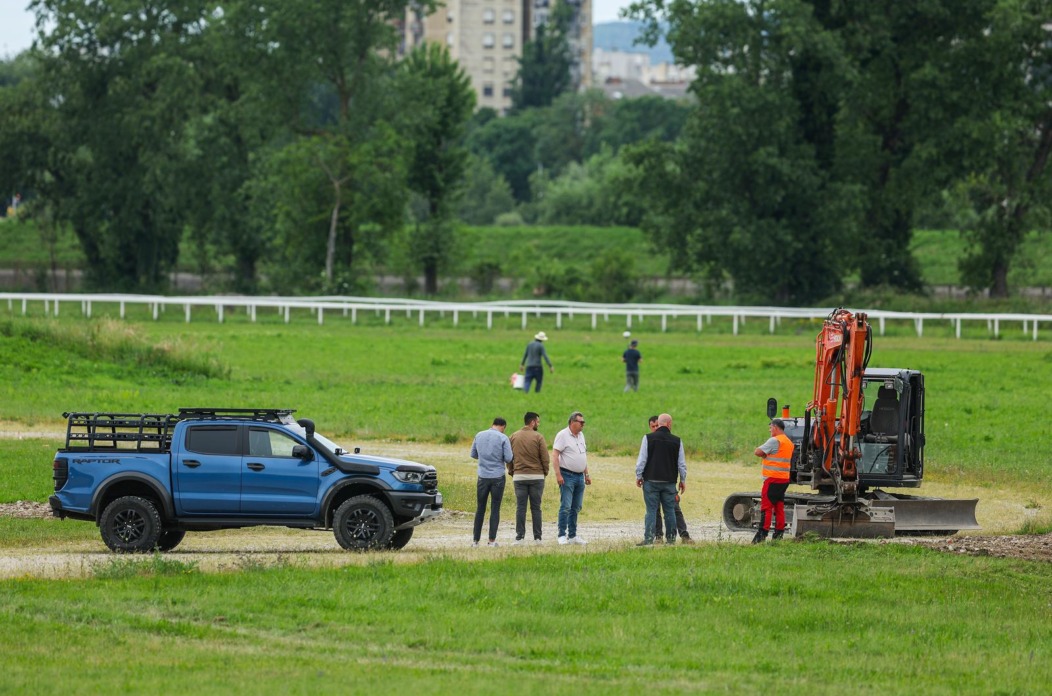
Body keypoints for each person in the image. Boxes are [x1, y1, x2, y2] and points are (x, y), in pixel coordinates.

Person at [635, 413, 687, 545]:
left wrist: (639, 476)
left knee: (651, 511)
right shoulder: (677, 441)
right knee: (670, 511)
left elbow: (642, 460)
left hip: (651, 480)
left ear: (659, 423)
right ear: (669, 424)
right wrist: (682, 480)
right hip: (669, 482)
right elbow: (681, 464)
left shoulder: (648, 438)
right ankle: (671, 539)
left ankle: (649, 539)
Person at [648, 415, 693, 543]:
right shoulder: (649, 440)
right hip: (654, 481)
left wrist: (682, 479)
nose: (655, 428)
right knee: (656, 510)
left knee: (675, 508)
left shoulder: (671, 441)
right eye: (653, 426)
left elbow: (680, 463)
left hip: (668, 481)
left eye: (657, 425)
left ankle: (684, 535)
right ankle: (658, 536)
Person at [508, 411, 550, 545]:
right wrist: (544, 472)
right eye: (538, 421)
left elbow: (509, 457)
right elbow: (545, 457)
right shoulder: (538, 437)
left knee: (521, 507)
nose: (538, 424)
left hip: (519, 477)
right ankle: (537, 538)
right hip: (537, 477)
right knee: (536, 508)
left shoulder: (513, 436)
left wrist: (512, 471)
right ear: (532, 422)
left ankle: (519, 537)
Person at [470, 417, 513, 547]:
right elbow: (509, 458)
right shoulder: (503, 438)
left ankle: (475, 541)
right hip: (497, 476)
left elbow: (473, 454)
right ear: (503, 426)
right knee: (495, 508)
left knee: (480, 508)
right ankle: (491, 541)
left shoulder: (479, 435)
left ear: (492, 424)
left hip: (482, 476)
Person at [752, 418, 794, 543]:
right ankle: (778, 535)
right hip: (784, 479)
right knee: (779, 507)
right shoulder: (789, 442)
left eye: (770, 428)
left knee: (766, 507)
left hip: (772, 479)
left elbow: (757, 452)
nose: (770, 430)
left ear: (775, 427)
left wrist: (765, 455)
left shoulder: (775, 440)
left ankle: (761, 535)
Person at [553, 411, 590, 545]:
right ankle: (562, 535)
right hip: (567, 476)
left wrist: (586, 474)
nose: (583, 425)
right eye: (581, 422)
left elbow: (583, 456)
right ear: (572, 422)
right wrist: (558, 475)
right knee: (566, 506)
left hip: (580, 477)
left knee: (576, 507)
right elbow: (555, 455)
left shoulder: (581, 436)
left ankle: (573, 535)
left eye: (583, 422)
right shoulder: (562, 435)